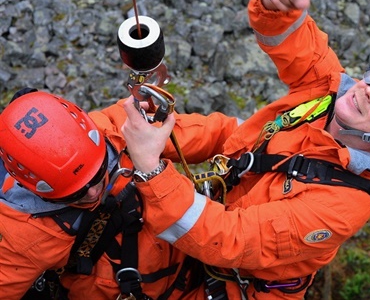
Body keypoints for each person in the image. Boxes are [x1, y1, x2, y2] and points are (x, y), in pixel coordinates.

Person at [120, 0, 370, 299]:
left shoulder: (343, 206)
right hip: (219, 205)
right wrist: (277, 2)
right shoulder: (328, 90)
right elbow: (290, 36)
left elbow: (229, 239)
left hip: (234, 282)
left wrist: (151, 167)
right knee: (117, 132)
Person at [0, 88, 238, 299]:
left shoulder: (122, 130)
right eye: (76, 194)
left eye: (99, 174)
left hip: (196, 263)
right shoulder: (24, 232)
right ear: (35, 189)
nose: (93, 193)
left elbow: (214, 134)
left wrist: (264, 137)